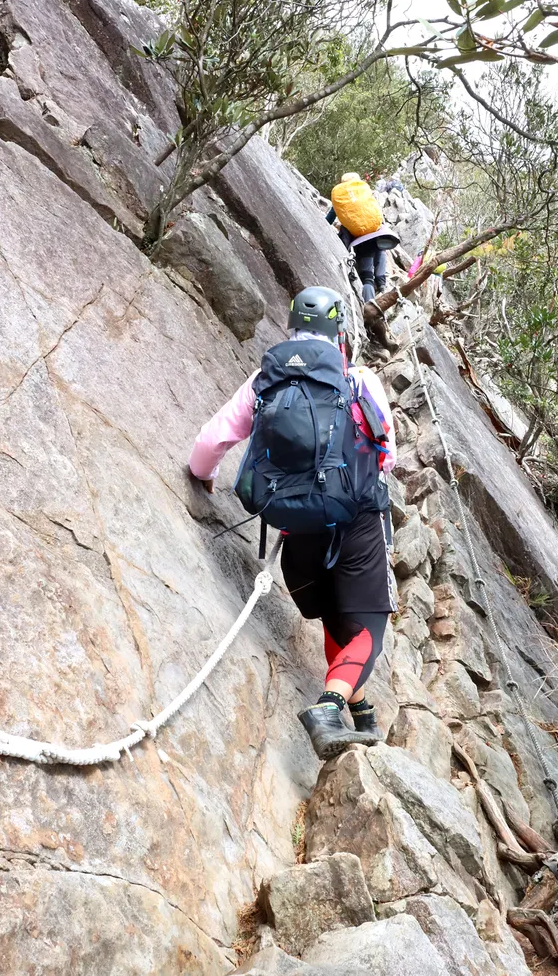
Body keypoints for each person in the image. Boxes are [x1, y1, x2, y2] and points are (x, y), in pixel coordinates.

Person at [188, 286, 397, 761]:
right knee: (369, 630)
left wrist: (204, 478)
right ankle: (327, 710)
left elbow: (211, 442)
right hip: (356, 524)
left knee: (332, 615)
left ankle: (359, 710)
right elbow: (387, 456)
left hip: (295, 532)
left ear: (292, 327)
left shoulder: (269, 376)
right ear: (340, 333)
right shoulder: (358, 379)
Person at [326, 173, 399, 304]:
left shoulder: (342, 197)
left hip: (360, 241)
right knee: (380, 250)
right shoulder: (363, 191)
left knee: (366, 276)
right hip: (376, 235)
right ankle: (381, 284)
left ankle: (368, 303)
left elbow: (329, 219)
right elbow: (377, 213)